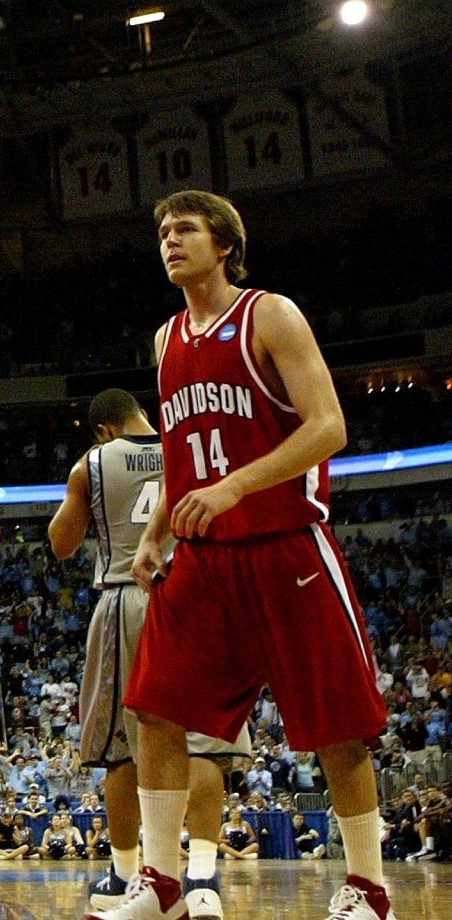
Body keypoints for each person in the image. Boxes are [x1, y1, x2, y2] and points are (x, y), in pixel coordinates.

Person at [95, 191, 392, 920]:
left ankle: (369, 887)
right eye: (163, 231)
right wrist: (159, 529)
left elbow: (328, 428)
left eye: (186, 229)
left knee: (337, 725)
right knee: (154, 710)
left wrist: (233, 489)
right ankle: (162, 882)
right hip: (202, 555)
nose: (170, 240)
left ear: (225, 243)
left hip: (285, 541)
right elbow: (183, 451)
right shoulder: (165, 340)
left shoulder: (270, 314)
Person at [49, 387, 252, 917]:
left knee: (123, 746)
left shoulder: (91, 463)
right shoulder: (188, 447)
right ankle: (203, 877)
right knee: (204, 743)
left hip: (127, 596)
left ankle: (124, 876)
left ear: (102, 430)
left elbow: (62, 542)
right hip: (201, 592)